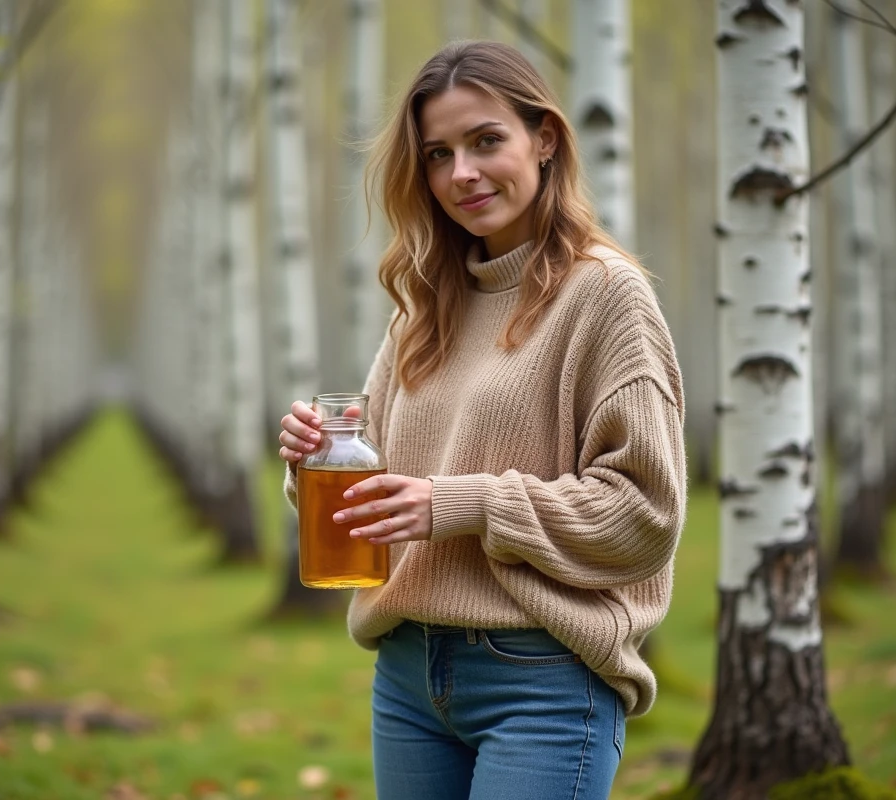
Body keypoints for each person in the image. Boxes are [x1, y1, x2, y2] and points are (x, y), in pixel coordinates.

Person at [278, 40, 686, 800]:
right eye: (438, 154)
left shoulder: (606, 295)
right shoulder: (424, 304)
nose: (461, 172)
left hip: (542, 678)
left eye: (486, 141)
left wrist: (460, 503)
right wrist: (314, 462)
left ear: (544, 139)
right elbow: (379, 493)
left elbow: (644, 513)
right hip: (407, 676)